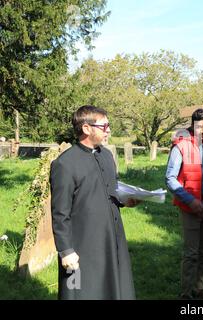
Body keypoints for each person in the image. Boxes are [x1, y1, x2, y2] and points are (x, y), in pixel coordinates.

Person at [50, 105, 138, 299]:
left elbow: (107, 189)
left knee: (113, 287)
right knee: (82, 290)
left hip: (110, 238)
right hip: (82, 244)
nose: (109, 130)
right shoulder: (65, 164)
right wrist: (66, 250)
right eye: (104, 126)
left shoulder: (106, 155)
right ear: (86, 128)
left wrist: (125, 200)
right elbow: (60, 213)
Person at [165, 108, 203, 300]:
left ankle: (200, 291)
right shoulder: (181, 147)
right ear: (192, 126)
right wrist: (190, 200)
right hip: (190, 206)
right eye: (199, 126)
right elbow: (170, 178)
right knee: (191, 254)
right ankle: (185, 295)